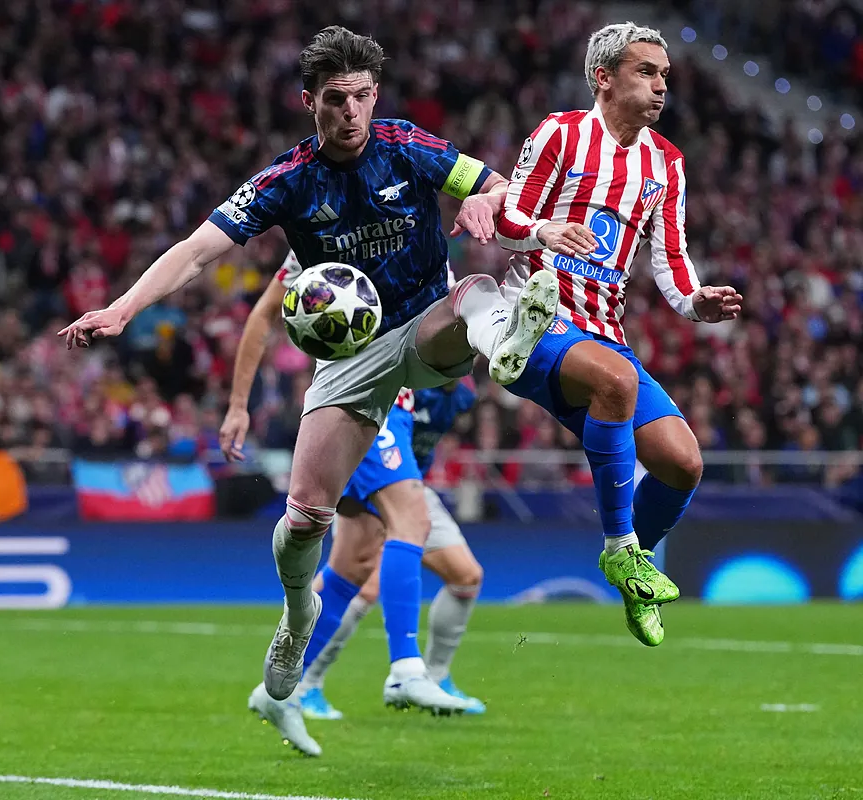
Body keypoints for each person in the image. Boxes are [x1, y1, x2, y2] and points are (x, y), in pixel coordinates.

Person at [60, 24, 558, 730]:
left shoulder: (408, 146)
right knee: (304, 522)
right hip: (349, 361)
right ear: (309, 102)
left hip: (423, 329)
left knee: (475, 288)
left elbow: (498, 184)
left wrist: (489, 201)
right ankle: (299, 619)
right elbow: (197, 251)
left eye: (361, 96)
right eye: (335, 99)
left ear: (375, 95)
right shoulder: (287, 180)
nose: (350, 111)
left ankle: (507, 339)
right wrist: (122, 308)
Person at [492, 22, 743, 645]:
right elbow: (506, 218)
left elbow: (672, 258)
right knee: (618, 380)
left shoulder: (667, 162)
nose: (661, 86)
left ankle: (634, 573)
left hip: (604, 332)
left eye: (665, 76)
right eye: (646, 72)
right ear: (603, 77)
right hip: (537, 318)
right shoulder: (561, 133)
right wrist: (544, 231)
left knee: (683, 464)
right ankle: (620, 547)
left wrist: (696, 302)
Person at [220, 253, 484, 757]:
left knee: (354, 564)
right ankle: (406, 669)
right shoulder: (317, 239)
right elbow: (264, 314)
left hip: (396, 405)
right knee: (411, 518)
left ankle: (282, 692)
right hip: (357, 399)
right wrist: (238, 405)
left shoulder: (426, 239)